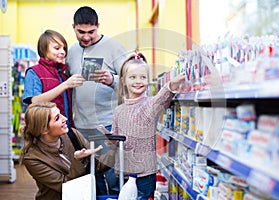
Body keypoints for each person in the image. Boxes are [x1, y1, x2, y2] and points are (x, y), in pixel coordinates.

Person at [65, 6, 128, 195]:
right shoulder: (72, 51)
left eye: (91, 32)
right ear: (73, 27)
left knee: (111, 177)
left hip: (107, 124)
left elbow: (133, 80)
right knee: (89, 177)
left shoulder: (113, 46)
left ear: (98, 26)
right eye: (81, 32)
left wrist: (112, 80)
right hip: (80, 126)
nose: (86, 37)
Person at [109, 52, 185, 198]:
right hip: (122, 172)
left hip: (144, 175)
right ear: (123, 81)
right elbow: (115, 138)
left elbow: (162, 97)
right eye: (133, 77)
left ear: (148, 80)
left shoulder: (150, 104)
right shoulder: (119, 110)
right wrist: (111, 140)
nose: (138, 81)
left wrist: (172, 84)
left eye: (143, 77)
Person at [19, 101, 115, 200]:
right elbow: (65, 187)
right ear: (44, 130)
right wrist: (78, 160)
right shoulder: (33, 159)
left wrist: (114, 148)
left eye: (61, 114)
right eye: (57, 118)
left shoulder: (72, 134)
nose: (64, 118)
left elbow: (96, 166)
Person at [23, 29, 85, 128]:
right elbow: (34, 102)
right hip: (45, 131)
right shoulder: (33, 72)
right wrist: (65, 85)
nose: (63, 52)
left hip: (65, 129)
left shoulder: (63, 74)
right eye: (57, 48)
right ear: (43, 49)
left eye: (64, 48)